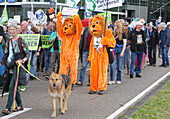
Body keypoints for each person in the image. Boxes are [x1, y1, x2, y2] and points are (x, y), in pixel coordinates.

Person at [0, 21, 30, 115]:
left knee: (12, 87)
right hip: (10, 66)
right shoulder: (9, 41)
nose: (11, 31)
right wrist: (1, 63)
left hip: (18, 67)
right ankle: (20, 105)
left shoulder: (21, 41)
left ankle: (8, 108)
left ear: (17, 30)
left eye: (13, 29)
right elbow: (6, 54)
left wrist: (22, 60)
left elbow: (28, 54)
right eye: (10, 29)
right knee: (14, 87)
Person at [76, 20, 92, 86]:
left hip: (92, 51)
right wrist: (79, 51)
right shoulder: (86, 30)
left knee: (92, 67)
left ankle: (90, 81)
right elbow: (82, 40)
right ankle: (81, 80)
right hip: (85, 50)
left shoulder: (96, 31)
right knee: (83, 66)